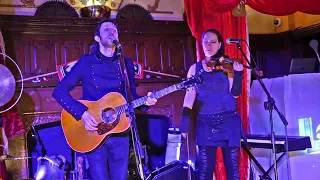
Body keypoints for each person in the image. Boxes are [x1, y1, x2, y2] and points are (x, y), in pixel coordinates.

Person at [52, 19, 157, 180]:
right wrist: (83, 114)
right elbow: (59, 91)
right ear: (97, 38)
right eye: (107, 29)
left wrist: (145, 102)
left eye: (114, 30)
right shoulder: (86, 62)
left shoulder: (125, 62)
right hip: (94, 131)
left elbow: (130, 97)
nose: (112, 32)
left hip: (120, 130)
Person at [179, 29, 244, 180]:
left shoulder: (227, 66)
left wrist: (238, 74)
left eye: (213, 41)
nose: (209, 45)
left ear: (220, 44)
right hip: (205, 122)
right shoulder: (194, 69)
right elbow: (190, 95)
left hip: (229, 120)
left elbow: (235, 93)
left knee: (233, 169)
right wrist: (184, 119)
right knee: (205, 170)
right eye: (205, 42)